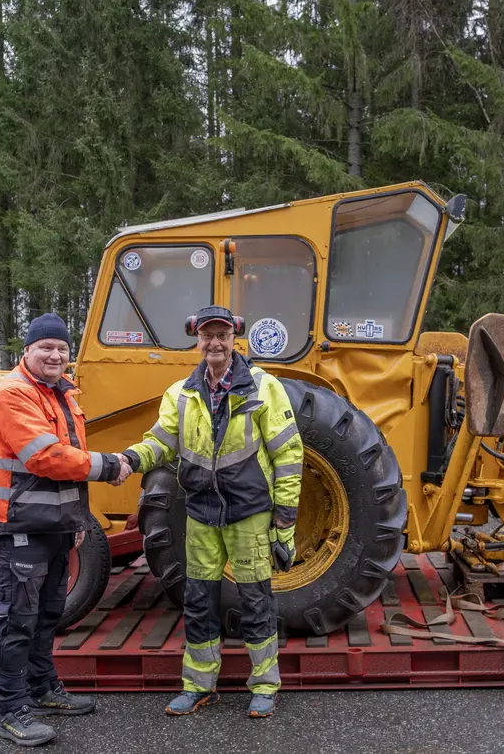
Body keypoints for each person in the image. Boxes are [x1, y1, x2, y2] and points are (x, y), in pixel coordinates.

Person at [120, 305, 302, 718]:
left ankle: (265, 685)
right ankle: (198, 685)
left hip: (249, 513)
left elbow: (289, 455)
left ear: (234, 339)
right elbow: (161, 442)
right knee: (199, 600)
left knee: (256, 600)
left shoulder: (262, 387)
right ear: (197, 340)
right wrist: (130, 459)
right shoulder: (180, 394)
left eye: (222, 335)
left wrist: (285, 518)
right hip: (202, 513)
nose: (214, 343)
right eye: (207, 336)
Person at [0, 312, 132, 747]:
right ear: (26, 351)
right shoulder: (13, 395)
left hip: (53, 526)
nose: (55, 354)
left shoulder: (62, 394)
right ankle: (11, 711)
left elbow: (69, 466)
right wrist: (110, 465)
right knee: (17, 620)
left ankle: (44, 688)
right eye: (46, 347)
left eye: (62, 348)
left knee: (47, 614)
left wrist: (76, 522)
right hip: (17, 527)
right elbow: (44, 458)